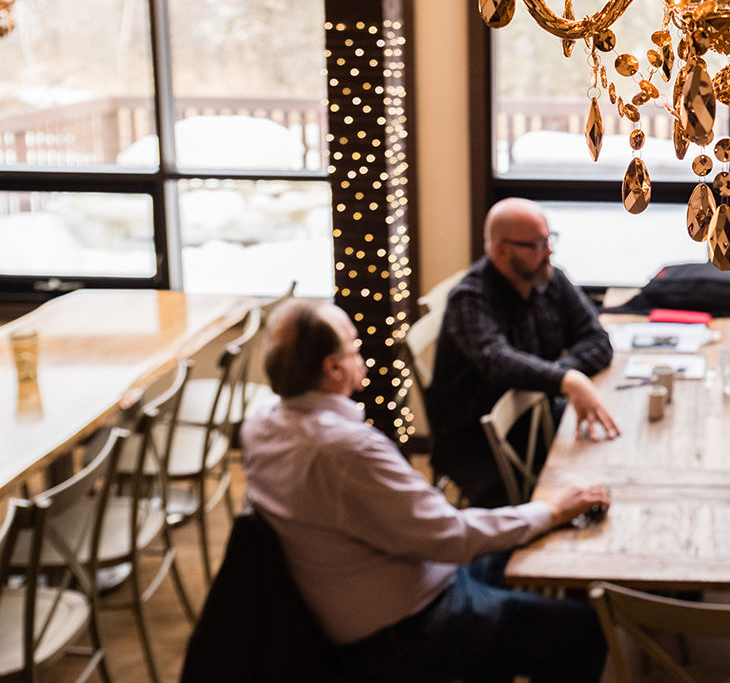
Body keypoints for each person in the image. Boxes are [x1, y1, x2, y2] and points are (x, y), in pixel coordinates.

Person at [242, 299, 611, 683]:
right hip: (407, 629)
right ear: (333, 368)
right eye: (354, 347)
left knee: (533, 555)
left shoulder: (260, 424)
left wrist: (543, 516)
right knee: (585, 630)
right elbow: (451, 536)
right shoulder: (345, 452)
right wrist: (551, 510)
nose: (361, 357)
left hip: (397, 584)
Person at [428, 198, 619, 507]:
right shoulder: (471, 299)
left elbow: (598, 339)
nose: (549, 251)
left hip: (535, 414)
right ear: (501, 250)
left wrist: (562, 372)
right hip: (475, 439)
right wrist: (565, 380)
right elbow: (497, 361)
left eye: (549, 239)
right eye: (537, 244)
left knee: (605, 456)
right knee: (572, 484)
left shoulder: (550, 277)